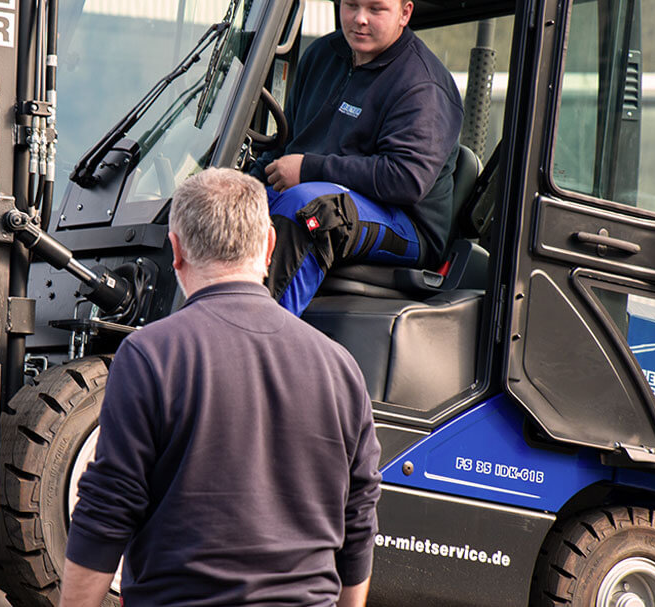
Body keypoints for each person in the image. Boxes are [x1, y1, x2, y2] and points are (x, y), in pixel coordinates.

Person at [59, 168, 382, 607]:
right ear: (269, 245)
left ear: (176, 252)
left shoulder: (149, 355)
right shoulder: (340, 368)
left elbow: (107, 510)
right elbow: (359, 516)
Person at [250, 0, 463, 315]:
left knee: (312, 211)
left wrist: (309, 168)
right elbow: (285, 144)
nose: (360, 19)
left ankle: (255, 338)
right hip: (320, 190)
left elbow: (405, 180)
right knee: (226, 199)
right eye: (352, 5)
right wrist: (244, 183)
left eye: (376, 9)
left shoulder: (422, 84)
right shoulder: (322, 56)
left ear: (405, 13)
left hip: (406, 225)